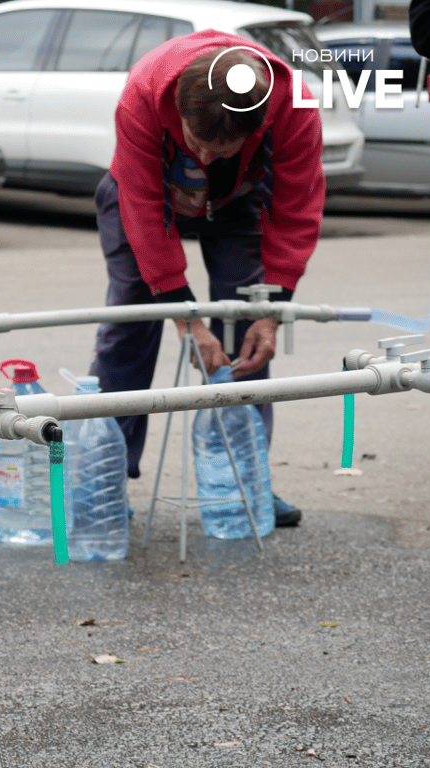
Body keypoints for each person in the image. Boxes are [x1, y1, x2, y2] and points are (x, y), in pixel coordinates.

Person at [87, 30, 325, 527]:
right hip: (144, 192)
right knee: (133, 317)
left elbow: (297, 205)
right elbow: (146, 214)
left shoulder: (294, 106)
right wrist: (184, 317)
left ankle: (246, 479)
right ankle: (107, 480)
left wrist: (273, 309)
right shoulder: (146, 92)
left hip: (239, 201)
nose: (208, 158)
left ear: (257, 126)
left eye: (224, 148)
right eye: (198, 143)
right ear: (179, 113)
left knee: (244, 322)